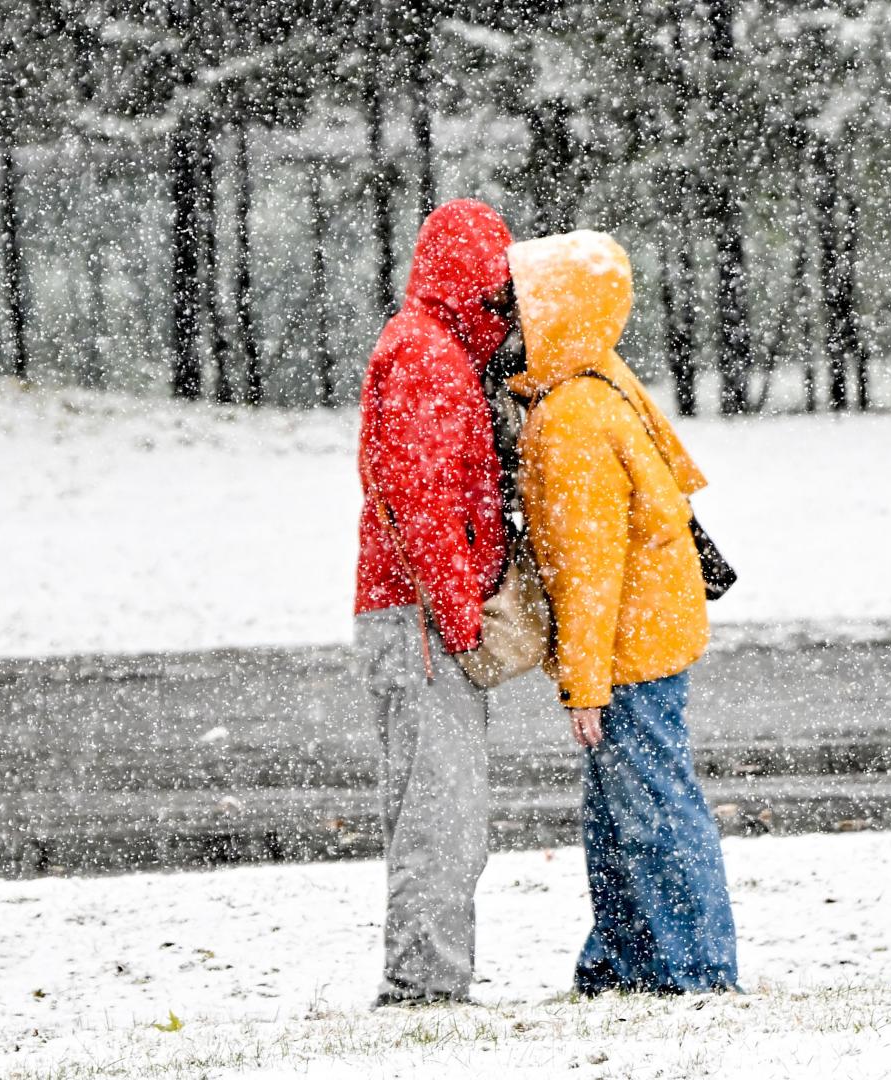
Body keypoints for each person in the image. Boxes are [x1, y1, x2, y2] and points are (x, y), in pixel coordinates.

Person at [505, 229, 739, 995]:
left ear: (558, 314)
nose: (512, 315)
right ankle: (623, 966)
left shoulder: (571, 418)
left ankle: (694, 973)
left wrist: (586, 686)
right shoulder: (596, 379)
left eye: (525, 302)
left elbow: (589, 570)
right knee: (618, 818)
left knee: (651, 816)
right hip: (646, 634)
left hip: (628, 647)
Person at [353, 198, 515, 1007]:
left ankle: (429, 976)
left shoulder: (437, 350)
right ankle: (424, 984)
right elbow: (421, 504)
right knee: (440, 812)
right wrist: (461, 616)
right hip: (420, 620)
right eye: (497, 281)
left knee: (439, 806)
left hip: (415, 614)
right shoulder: (425, 358)